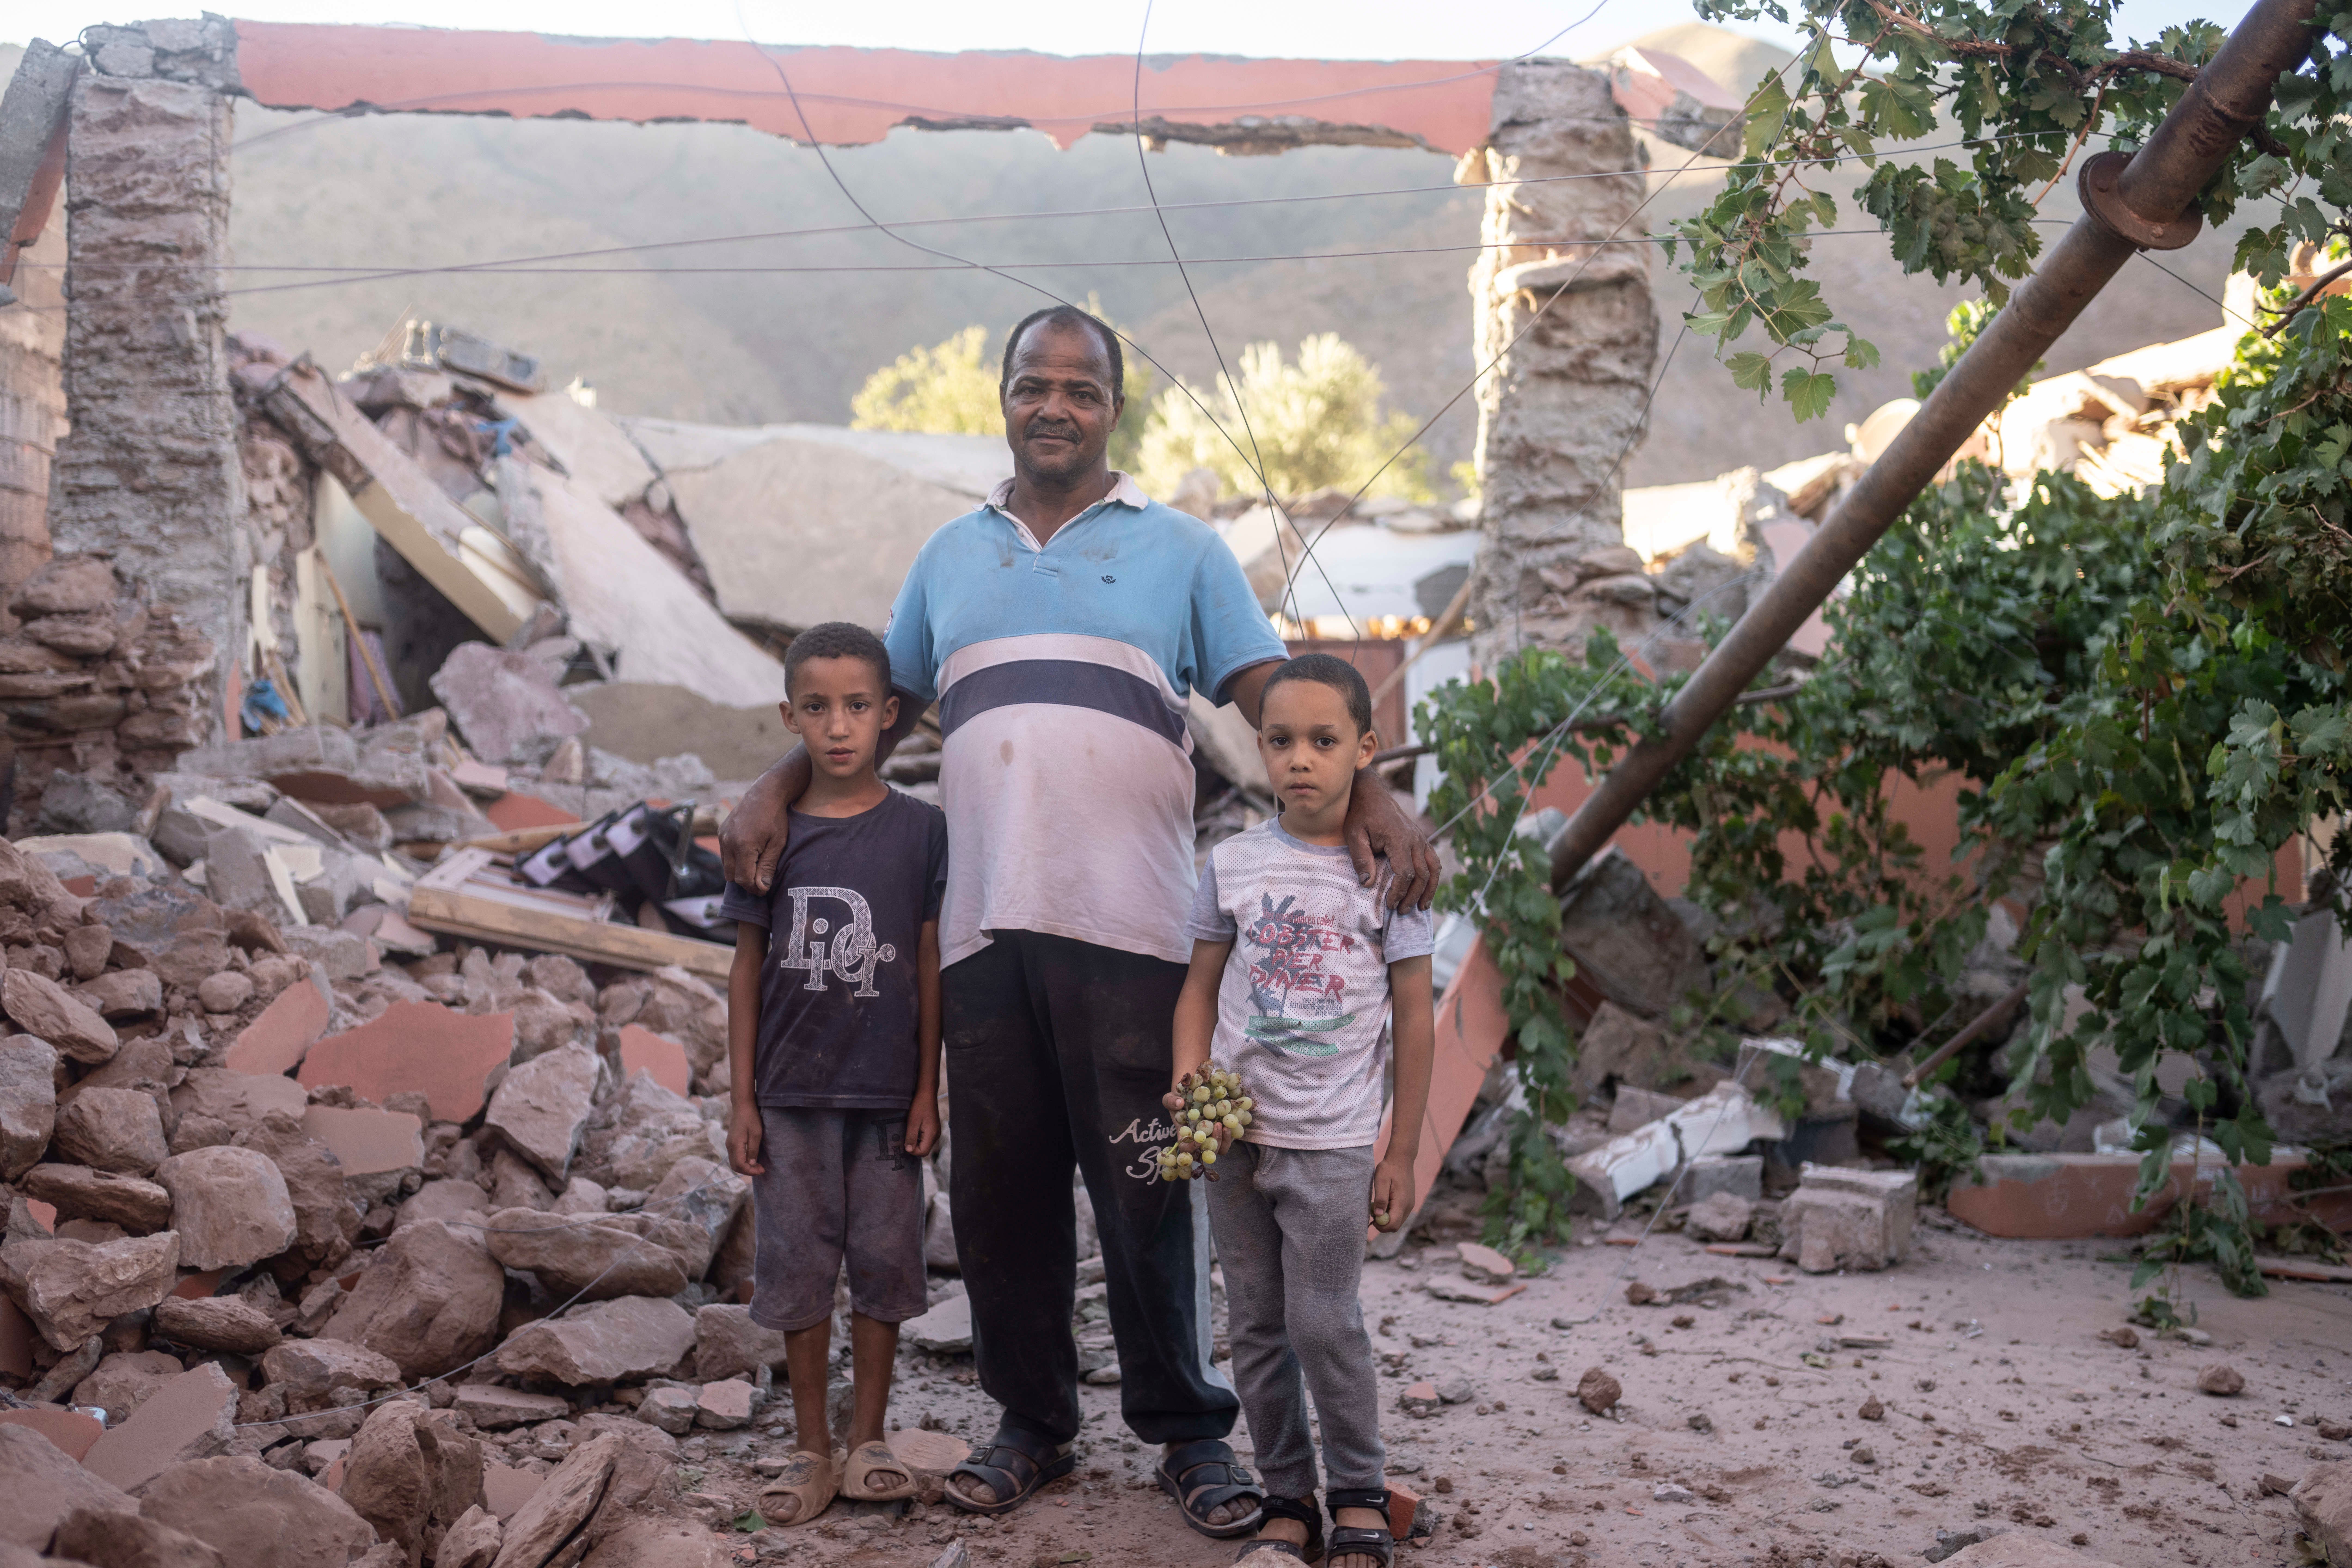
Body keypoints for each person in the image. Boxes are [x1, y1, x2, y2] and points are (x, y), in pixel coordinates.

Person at [718, 304, 1438, 1538]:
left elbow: (1273, 691)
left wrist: (1369, 786)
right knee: (1001, 1195)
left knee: (1151, 1188)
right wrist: (773, 785)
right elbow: (870, 707)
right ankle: (1032, 1425)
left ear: (1116, 408)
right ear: (1001, 397)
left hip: (1140, 931)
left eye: (1082, 389)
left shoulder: (1183, 552)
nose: (1056, 406)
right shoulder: (950, 556)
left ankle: (1192, 1434)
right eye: (1033, 385)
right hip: (983, 931)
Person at [1172, 653, 1434, 1568]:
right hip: (1237, 1137)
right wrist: (1190, 1089)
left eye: (1325, 742)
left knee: (1325, 1322)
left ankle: (1359, 1492)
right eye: (1281, 740)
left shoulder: (1388, 875)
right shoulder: (1232, 864)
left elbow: (1413, 1018)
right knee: (1253, 1324)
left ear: (1365, 750)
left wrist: (1399, 1151)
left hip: (1331, 1145)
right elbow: (1200, 987)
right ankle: (1287, 1494)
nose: (1301, 760)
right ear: (1259, 747)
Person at [719, 621, 949, 1529]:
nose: (840, 726)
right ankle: (811, 1447)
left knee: (886, 1264)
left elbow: (930, 963)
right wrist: (742, 1098)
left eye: (859, 707)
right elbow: (744, 968)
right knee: (799, 1266)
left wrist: (928, 1088)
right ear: (790, 716)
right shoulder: (770, 835)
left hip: (889, 1095)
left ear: (892, 716)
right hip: (791, 1096)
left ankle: (871, 1441)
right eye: (817, 708)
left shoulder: (922, 831)